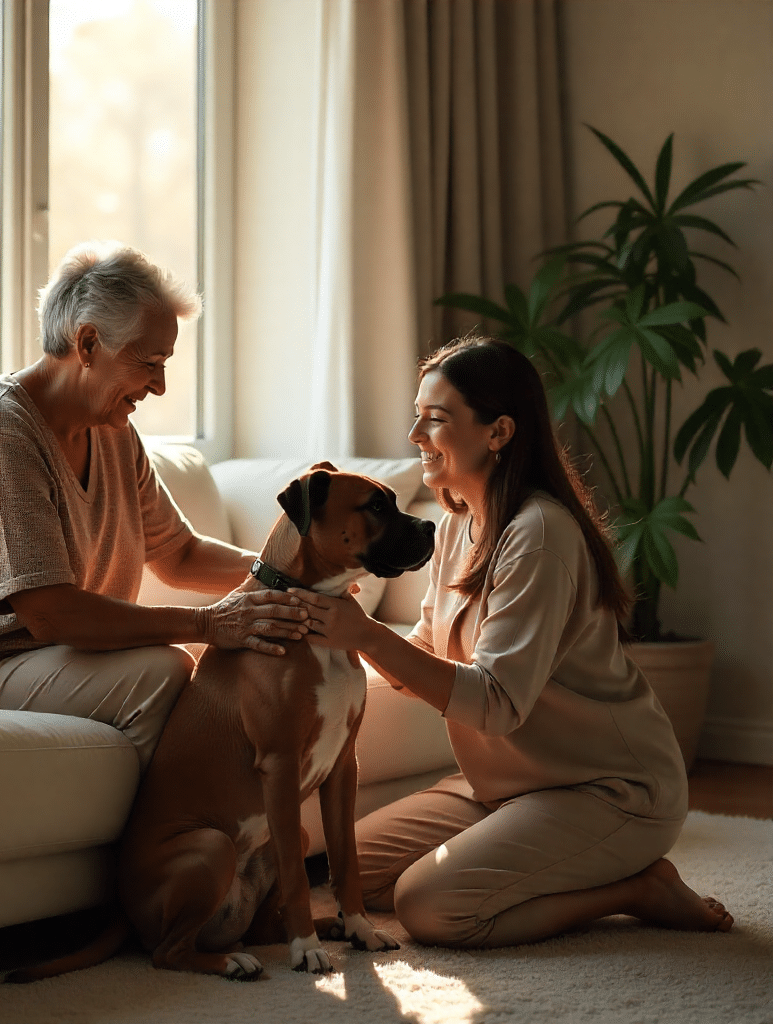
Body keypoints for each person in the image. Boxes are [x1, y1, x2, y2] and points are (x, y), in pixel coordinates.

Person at [291, 335, 733, 948]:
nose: (415, 434)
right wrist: (324, 650)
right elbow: (425, 650)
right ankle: (533, 856)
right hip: (501, 789)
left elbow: (496, 704)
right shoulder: (458, 524)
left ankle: (637, 889)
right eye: (417, 416)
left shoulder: (539, 534)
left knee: (431, 908)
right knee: (348, 874)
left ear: (498, 432)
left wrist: (363, 631)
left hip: (609, 791)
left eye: (436, 419)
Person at [0, 240, 309, 773]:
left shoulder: (112, 427)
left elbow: (179, 554)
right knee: (166, 670)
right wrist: (209, 624)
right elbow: (51, 613)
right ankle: (175, 821)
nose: (160, 386)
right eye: (149, 363)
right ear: (88, 342)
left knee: (246, 661)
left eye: (165, 364)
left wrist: (290, 577)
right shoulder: (0, 432)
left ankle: (216, 817)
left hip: (56, 659)